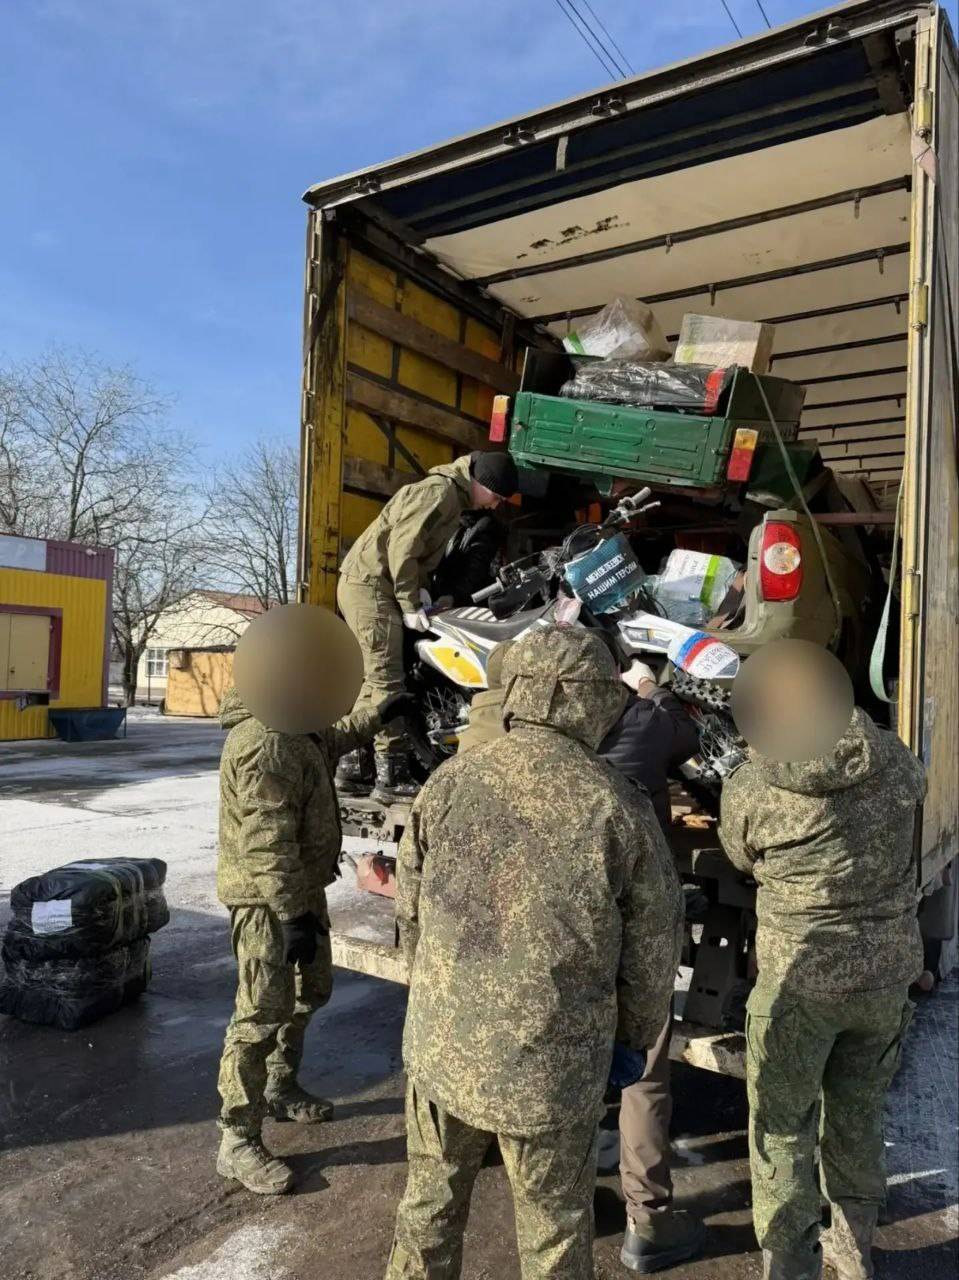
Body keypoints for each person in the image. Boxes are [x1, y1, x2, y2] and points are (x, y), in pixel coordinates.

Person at [385, 626, 684, 1279]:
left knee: (427, 1214)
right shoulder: (615, 804)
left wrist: (432, 994)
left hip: (440, 1047)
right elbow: (655, 945)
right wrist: (629, 1038)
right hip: (550, 1066)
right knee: (553, 1236)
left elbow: (410, 910)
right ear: (592, 702)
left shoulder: (448, 782)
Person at [719, 645, 926, 1280]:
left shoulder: (752, 787)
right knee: (858, 1110)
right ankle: (854, 1245)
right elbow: (914, 805)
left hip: (798, 983)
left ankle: (788, 1261)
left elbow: (740, 857)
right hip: (885, 973)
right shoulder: (891, 756)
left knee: (782, 1123)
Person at [215, 681, 412, 1195]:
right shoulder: (265, 740)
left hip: (297, 893)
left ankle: (280, 1084)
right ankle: (236, 1138)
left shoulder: (295, 726)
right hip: (266, 901)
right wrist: (289, 916)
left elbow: (335, 737)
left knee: (309, 991)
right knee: (259, 1014)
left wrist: (380, 712)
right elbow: (264, 841)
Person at [598, 661, 704, 1275]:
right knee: (645, 1074)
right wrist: (650, 690)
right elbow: (685, 737)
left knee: (574, 1057)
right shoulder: (641, 717)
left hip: (573, 929)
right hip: (640, 928)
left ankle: (569, 1193)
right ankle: (648, 1222)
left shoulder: (542, 739)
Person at [336, 449, 519, 803]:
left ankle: (352, 766)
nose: (495, 506)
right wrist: (408, 602)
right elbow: (402, 550)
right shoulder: (440, 493)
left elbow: (415, 552)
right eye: (495, 497)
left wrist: (420, 590)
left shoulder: (452, 497)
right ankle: (392, 775)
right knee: (389, 681)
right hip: (372, 586)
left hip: (374, 584)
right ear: (480, 483)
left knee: (374, 681)